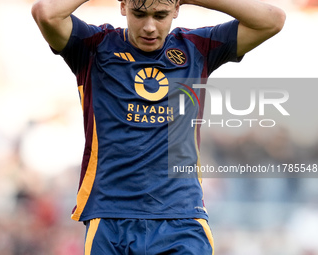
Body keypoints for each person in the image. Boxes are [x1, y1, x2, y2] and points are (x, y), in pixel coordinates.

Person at [31, 0, 285, 254]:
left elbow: (272, 20)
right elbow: (46, 13)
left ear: (176, 9)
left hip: (182, 218)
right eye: (139, 14)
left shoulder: (197, 47)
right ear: (123, 7)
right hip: (110, 217)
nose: (150, 26)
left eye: (161, 15)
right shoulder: (94, 46)